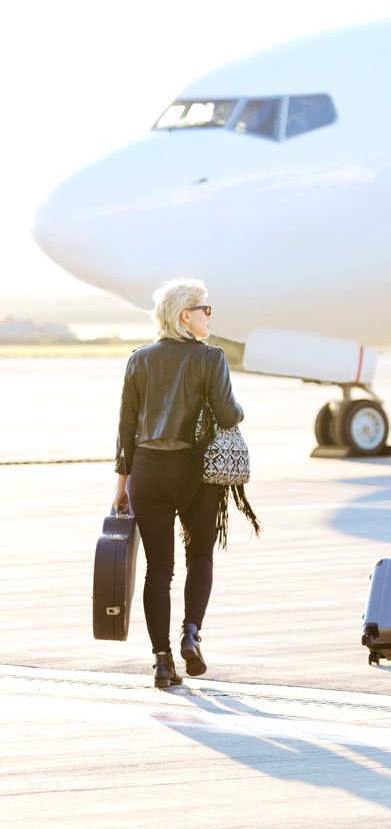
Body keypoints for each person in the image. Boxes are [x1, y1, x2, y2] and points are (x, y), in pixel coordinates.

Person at [113, 278, 243, 688]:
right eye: (205, 309)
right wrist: (237, 408)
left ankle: (162, 661)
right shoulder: (211, 358)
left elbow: (125, 427)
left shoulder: (139, 358)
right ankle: (190, 634)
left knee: (158, 570)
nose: (209, 315)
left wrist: (122, 485)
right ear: (185, 316)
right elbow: (227, 415)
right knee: (200, 556)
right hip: (195, 472)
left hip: (147, 472)